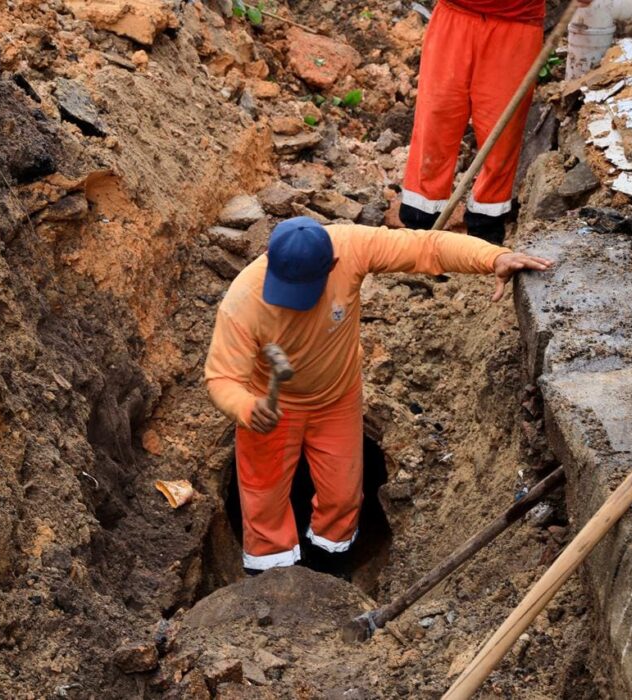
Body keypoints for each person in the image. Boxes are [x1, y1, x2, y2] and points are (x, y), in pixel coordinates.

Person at [204, 217, 552, 575]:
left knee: (342, 497)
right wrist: (245, 406)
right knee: (263, 501)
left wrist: (492, 257)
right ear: (268, 258)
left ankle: (327, 567)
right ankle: (269, 580)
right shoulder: (243, 301)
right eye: (286, 292)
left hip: (335, 399)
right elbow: (222, 378)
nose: (293, 307)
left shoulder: (351, 246)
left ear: (333, 265)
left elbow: (425, 247)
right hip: (270, 408)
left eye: (304, 292)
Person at [400, 0, 592, 243]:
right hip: (454, 15)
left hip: (516, 25)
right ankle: (419, 230)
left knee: (502, 136)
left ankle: (485, 235)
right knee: (435, 124)